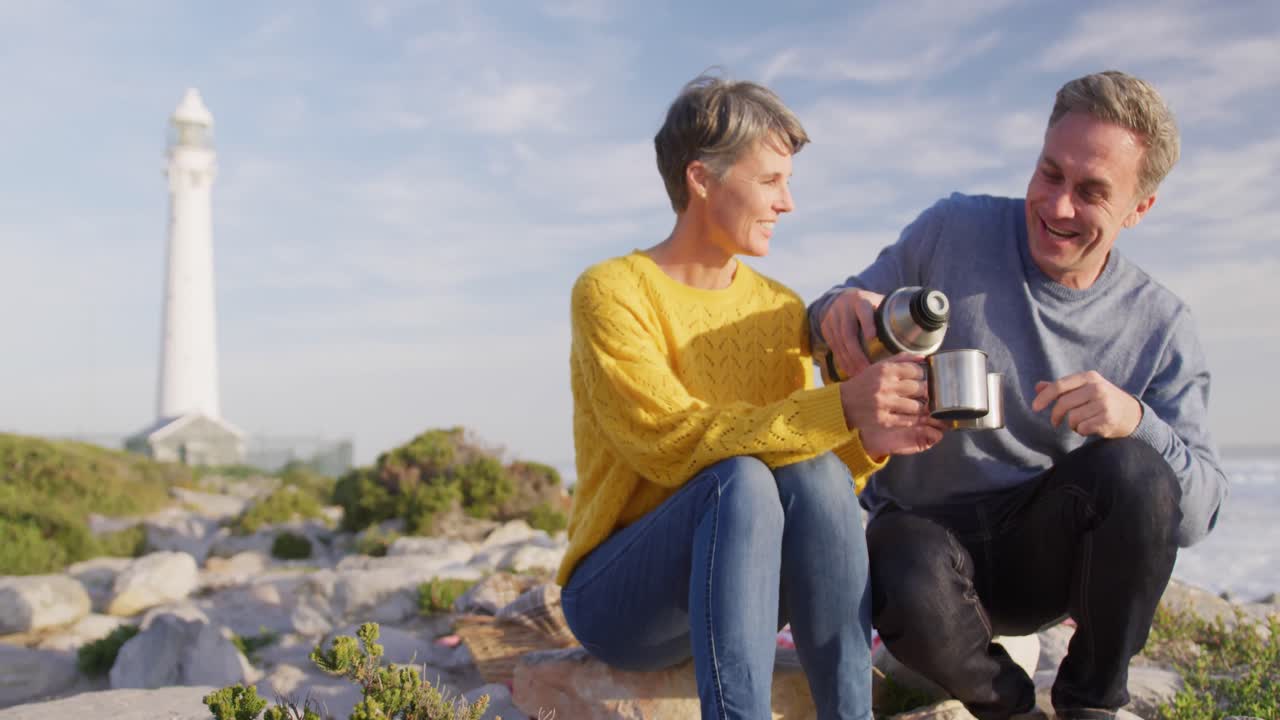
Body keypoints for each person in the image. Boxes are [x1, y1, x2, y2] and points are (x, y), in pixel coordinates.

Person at [808, 70, 1229, 720]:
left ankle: (1091, 702)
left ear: (1139, 208)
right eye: (1049, 174)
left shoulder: (1161, 326)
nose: (1058, 206)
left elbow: (1197, 512)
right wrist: (843, 310)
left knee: (1138, 471)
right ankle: (1010, 709)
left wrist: (1135, 420)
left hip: (1041, 555)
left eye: (1091, 192)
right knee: (901, 558)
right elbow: (825, 321)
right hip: (921, 543)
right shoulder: (952, 230)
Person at [557, 74, 942, 720]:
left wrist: (864, 443)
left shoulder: (779, 307)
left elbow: (800, 479)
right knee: (735, 480)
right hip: (621, 599)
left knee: (809, 472)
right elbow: (671, 445)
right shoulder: (611, 293)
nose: (787, 203)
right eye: (770, 181)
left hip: (748, 586)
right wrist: (841, 407)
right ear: (701, 179)